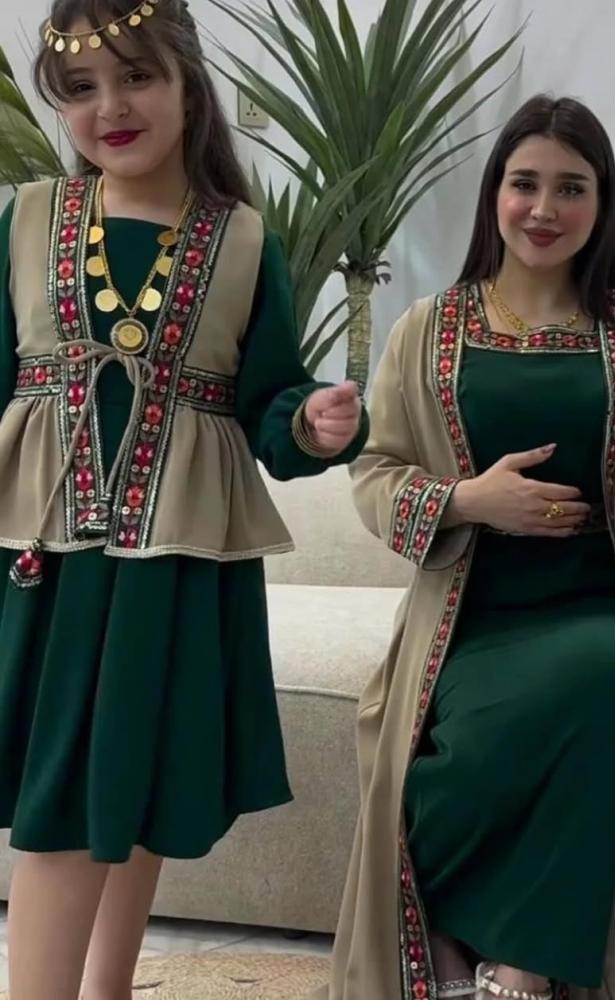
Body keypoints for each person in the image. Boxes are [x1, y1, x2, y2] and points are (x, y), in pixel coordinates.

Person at [315, 95, 615, 1000]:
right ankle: (450, 939)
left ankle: (520, 969)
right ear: (494, 195)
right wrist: (468, 499)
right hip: (468, 617)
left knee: (591, 687)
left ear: (602, 203)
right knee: (459, 762)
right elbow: (374, 474)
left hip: (607, 608)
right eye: (524, 184)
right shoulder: (427, 328)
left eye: (570, 187)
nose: (544, 208)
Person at [0, 1, 366, 997]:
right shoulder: (27, 220)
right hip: (47, 560)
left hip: (178, 555)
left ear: (187, 85)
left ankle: (109, 986)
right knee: (62, 798)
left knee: (139, 774)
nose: (110, 107)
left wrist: (312, 422)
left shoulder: (243, 241)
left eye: (137, 77)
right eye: (81, 89)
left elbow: (269, 400)